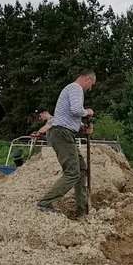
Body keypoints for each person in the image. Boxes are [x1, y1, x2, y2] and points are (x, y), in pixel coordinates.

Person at [37, 70, 96, 216]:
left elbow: (69, 117)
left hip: (64, 132)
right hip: (62, 133)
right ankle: (45, 203)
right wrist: (88, 112)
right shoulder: (76, 88)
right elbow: (76, 110)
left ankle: (82, 210)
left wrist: (83, 127)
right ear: (87, 79)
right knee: (72, 172)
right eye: (91, 85)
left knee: (81, 169)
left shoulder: (70, 89)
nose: (90, 88)